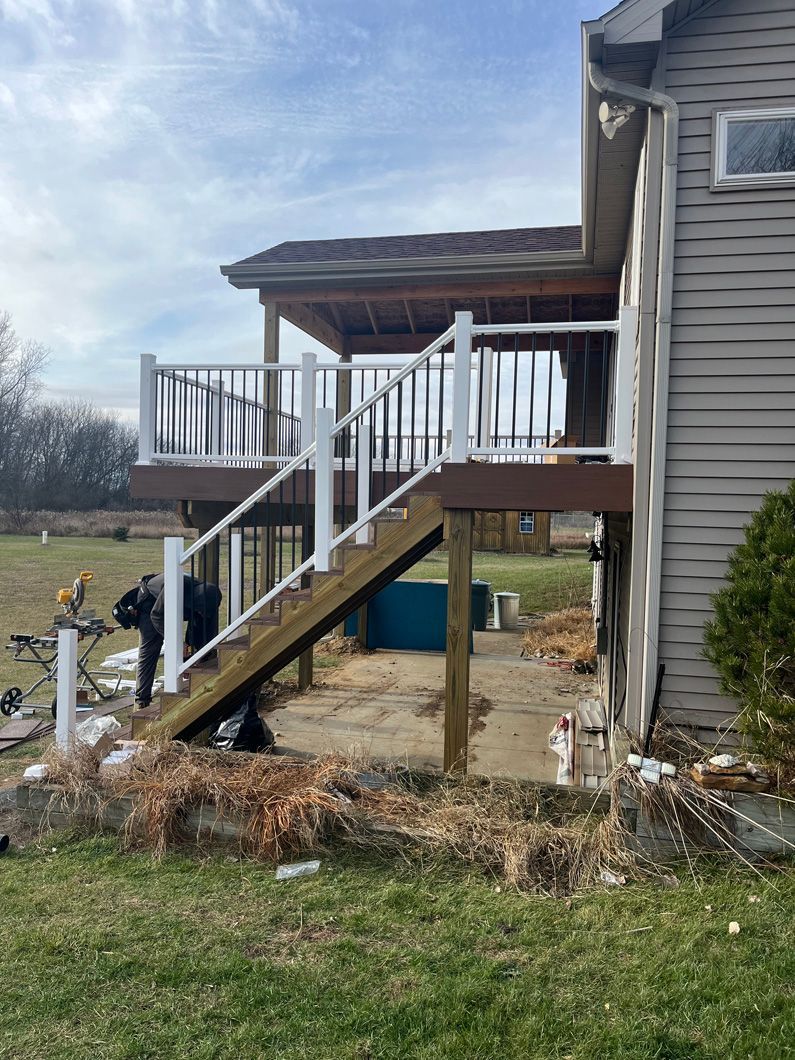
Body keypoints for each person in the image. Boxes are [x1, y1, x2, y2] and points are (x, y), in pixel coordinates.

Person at [131, 573, 222, 710]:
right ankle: (142, 700)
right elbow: (156, 616)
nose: (202, 615)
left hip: (177, 602)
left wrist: (191, 660)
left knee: (197, 631)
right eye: (200, 612)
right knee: (150, 649)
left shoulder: (208, 598)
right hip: (151, 602)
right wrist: (178, 643)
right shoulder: (175, 587)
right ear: (196, 603)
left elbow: (199, 635)